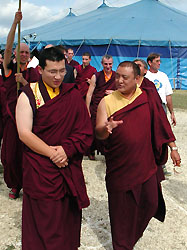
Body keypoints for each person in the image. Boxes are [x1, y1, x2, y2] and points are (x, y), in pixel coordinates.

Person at [95, 61, 181, 250]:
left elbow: (161, 125)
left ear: (137, 79)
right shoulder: (107, 101)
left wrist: (173, 147)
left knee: (150, 203)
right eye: (117, 76)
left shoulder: (148, 97)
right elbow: (98, 132)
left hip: (145, 163)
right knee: (121, 210)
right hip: (120, 166)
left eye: (125, 77)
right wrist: (105, 128)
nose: (119, 80)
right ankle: (122, 245)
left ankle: (129, 239)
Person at [16, 47, 93, 249]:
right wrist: (53, 153)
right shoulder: (28, 94)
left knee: (66, 221)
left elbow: (85, 131)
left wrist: (66, 150)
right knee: (44, 222)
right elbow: (24, 133)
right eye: (52, 71)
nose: (58, 76)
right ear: (40, 70)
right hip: (41, 168)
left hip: (67, 166)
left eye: (62, 70)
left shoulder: (71, 94)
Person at [1, 11, 40, 199]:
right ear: (16, 54)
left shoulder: (34, 74)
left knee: (28, 154)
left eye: (26, 52)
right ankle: (15, 185)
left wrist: (24, 83)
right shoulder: (10, 69)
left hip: (28, 120)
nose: (23, 55)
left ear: (29, 56)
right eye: (21, 52)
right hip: (10, 118)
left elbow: (38, 95)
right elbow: (7, 48)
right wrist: (15, 24)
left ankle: (29, 185)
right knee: (10, 155)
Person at [86, 54, 116, 159]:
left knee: (109, 128)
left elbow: (123, 91)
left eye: (110, 64)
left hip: (111, 106)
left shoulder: (116, 76)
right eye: (106, 64)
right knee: (94, 128)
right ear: (102, 64)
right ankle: (91, 151)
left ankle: (108, 151)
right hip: (97, 106)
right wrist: (87, 109)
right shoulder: (96, 76)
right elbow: (89, 93)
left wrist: (114, 92)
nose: (108, 66)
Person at [146, 53, 176, 125]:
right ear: (150, 63)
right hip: (148, 106)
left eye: (160, 61)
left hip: (161, 107)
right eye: (157, 61)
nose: (159, 63)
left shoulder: (163, 76)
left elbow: (168, 96)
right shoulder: (145, 75)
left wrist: (172, 113)